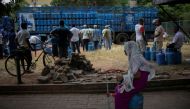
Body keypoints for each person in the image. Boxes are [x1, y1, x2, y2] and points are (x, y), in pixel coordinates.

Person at [114, 41, 155, 109]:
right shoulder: (136, 55)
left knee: (119, 94)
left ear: (130, 49)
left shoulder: (135, 57)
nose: (124, 51)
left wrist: (123, 77)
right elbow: (134, 72)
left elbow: (137, 75)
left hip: (139, 81)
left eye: (125, 49)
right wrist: (124, 76)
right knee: (118, 88)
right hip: (140, 79)